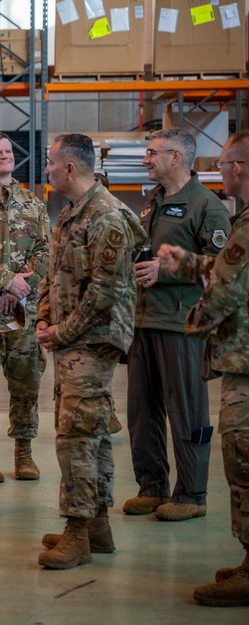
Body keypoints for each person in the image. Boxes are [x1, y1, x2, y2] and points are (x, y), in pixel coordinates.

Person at [36, 133, 146, 569]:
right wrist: (46, 317)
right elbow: (53, 273)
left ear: (69, 168)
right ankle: (97, 526)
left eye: (49, 163)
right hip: (71, 339)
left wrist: (63, 331)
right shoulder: (70, 215)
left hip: (93, 340)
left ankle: (77, 533)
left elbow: (107, 290)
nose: (46, 170)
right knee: (90, 432)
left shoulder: (107, 218)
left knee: (76, 437)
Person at [157, 130, 249, 607]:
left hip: (242, 363)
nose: (222, 169)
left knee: (243, 459)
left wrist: (191, 325)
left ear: (239, 167)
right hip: (240, 358)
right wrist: (190, 264)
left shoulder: (240, 221)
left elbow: (228, 290)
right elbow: (229, 270)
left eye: (227, 162)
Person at [124, 128, 231, 521]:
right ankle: (152, 488)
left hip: (181, 325)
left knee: (186, 409)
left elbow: (222, 271)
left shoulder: (208, 206)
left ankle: (192, 494)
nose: (145, 159)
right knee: (142, 410)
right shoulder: (152, 204)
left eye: (152, 153)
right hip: (144, 320)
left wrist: (165, 273)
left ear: (176, 157)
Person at [0, 132, 50, 483]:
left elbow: (47, 250)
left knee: (26, 383)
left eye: (7, 151)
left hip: (23, 311)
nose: (4, 156)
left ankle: (24, 451)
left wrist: (23, 285)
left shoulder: (32, 203)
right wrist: (4, 280)